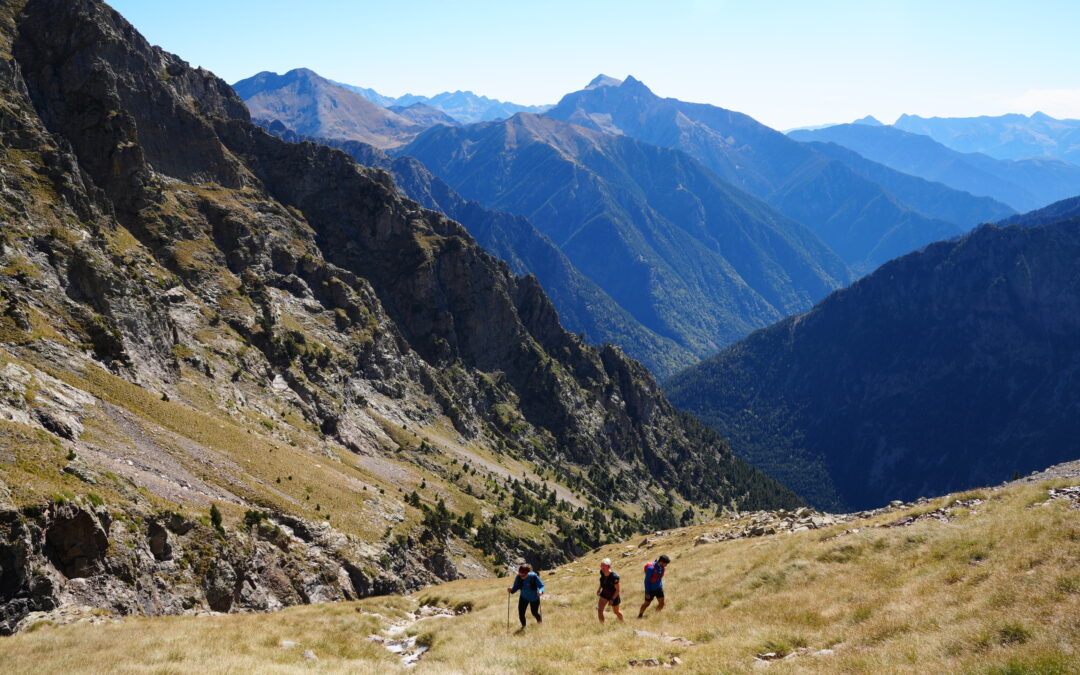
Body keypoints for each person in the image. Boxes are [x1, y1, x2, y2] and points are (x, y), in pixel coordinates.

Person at [507, 563, 544, 628]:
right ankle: (523, 626)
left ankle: (539, 621)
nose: (522, 577)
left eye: (523, 575)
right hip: (523, 597)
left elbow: (541, 586)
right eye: (520, 575)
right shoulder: (518, 577)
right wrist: (511, 590)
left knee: (534, 612)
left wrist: (541, 591)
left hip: (534, 598)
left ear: (528, 573)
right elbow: (516, 586)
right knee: (521, 613)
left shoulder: (534, 577)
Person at [638, 554, 670, 618]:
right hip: (650, 590)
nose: (666, 565)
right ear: (661, 562)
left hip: (658, 588)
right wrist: (647, 592)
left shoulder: (662, 568)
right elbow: (646, 581)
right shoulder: (650, 568)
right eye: (665, 564)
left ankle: (655, 616)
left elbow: (659, 578)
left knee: (662, 604)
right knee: (646, 604)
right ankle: (640, 615)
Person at [596, 558, 623, 623]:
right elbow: (602, 581)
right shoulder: (602, 572)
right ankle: (602, 627)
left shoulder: (614, 577)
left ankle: (622, 622)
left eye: (605, 566)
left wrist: (612, 599)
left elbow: (617, 590)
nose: (603, 568)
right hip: (604, 593)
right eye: (601, 565)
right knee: (600, 611)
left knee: (616, 612)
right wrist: (599, 589)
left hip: (613, 595)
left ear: (609, 566)